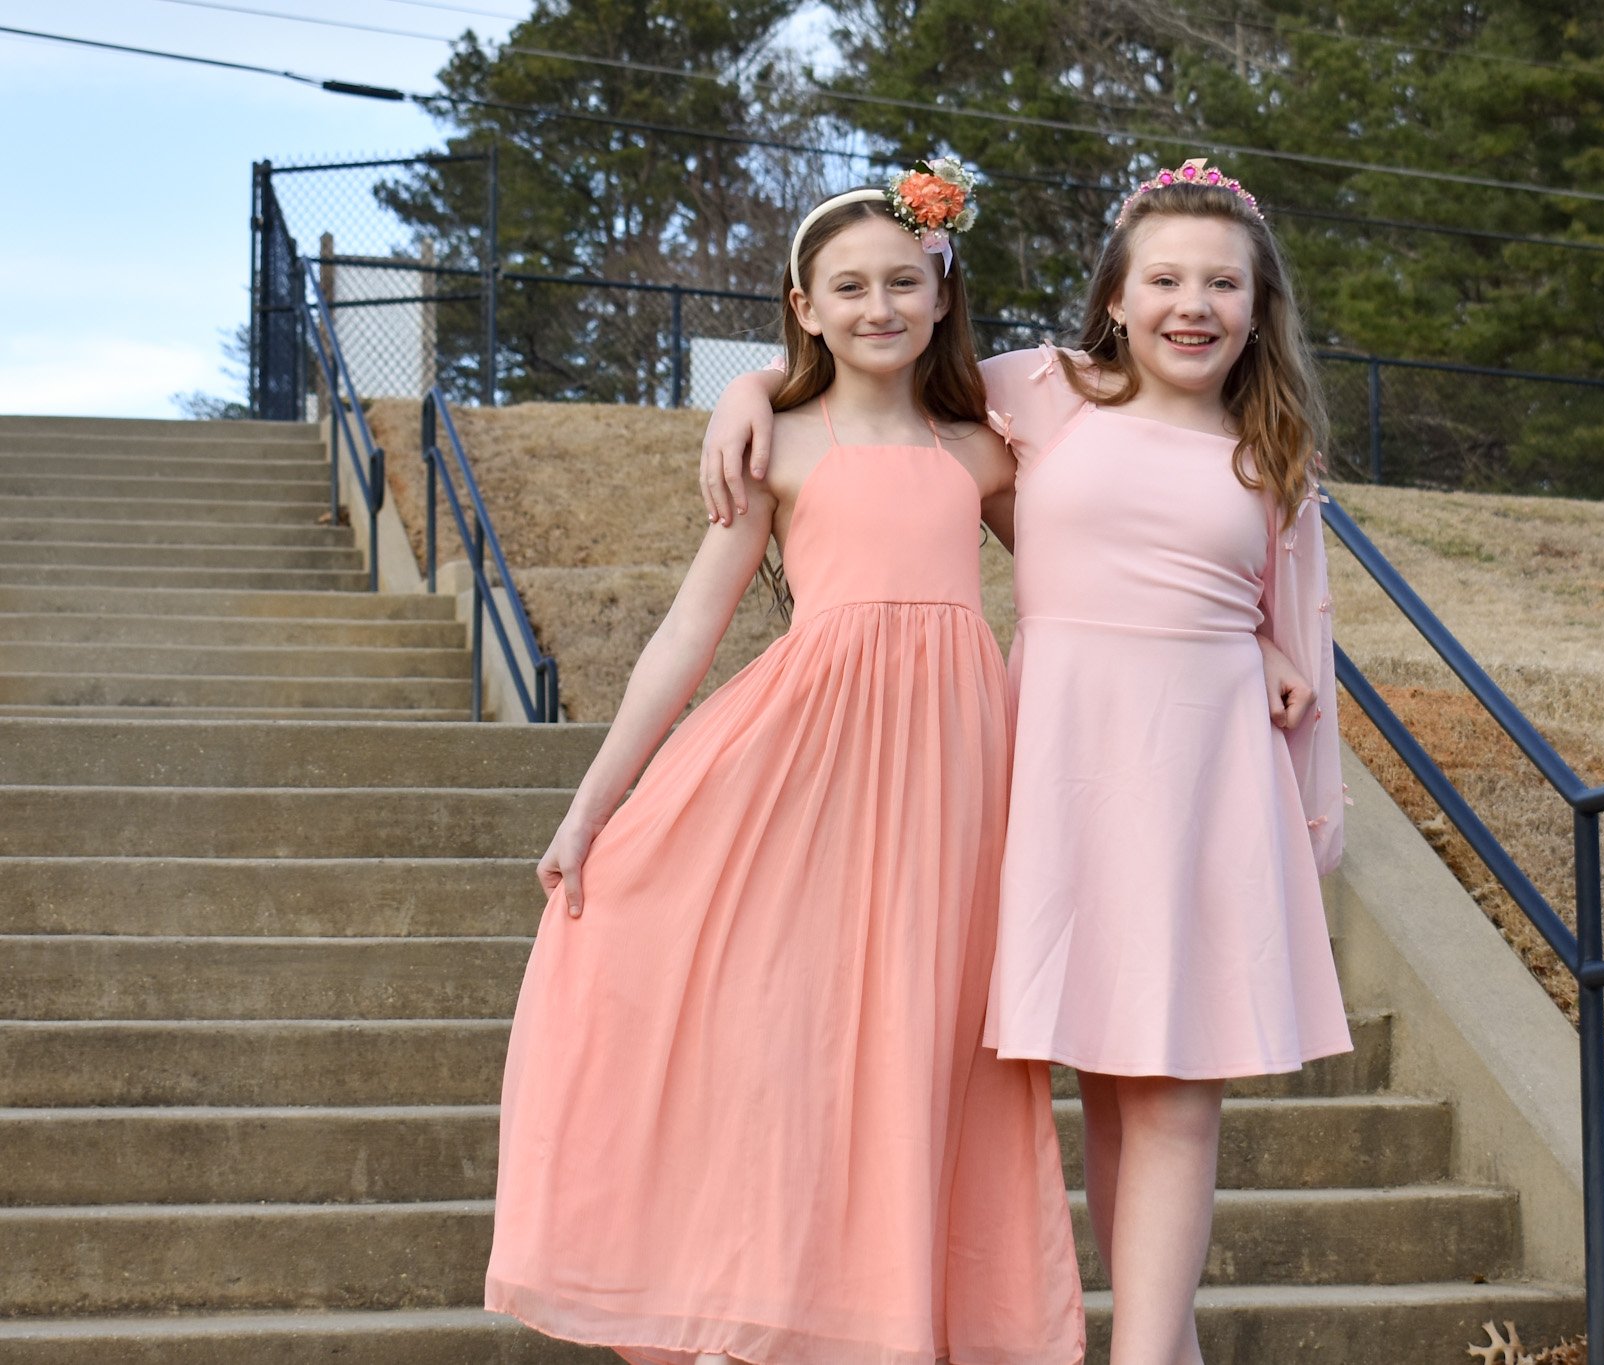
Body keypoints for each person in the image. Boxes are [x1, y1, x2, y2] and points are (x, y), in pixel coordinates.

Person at [701, 159, 1349, 1365]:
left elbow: (1294, 622)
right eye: (1163, 278)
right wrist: (746, 385)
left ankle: (1147, 1354)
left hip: (1199, 775)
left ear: (1259, 309)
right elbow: (877, 374)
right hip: (1055, 766)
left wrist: (1263, 655)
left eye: (1222, 283)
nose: (1190, 304)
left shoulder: (1271, 449)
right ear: (1114, 297)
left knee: (1169, 1084)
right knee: (1105, 1073)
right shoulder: (1040, 396)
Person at [487, 164, 1085, 1365]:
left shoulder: (987, 451)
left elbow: (1087, 578)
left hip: (954, 779)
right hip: (803, 765)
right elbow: (685, 631)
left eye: (902, 282)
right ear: (802, 307)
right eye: (847, 287)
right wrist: (591, 805)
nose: (878, 306)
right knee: (789, 1032)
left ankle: (898, 1318)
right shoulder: (776, 449)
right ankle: (748, 1310)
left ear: (941, 288)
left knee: (923, 1043)